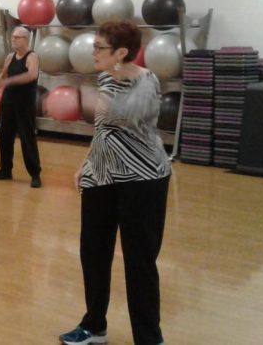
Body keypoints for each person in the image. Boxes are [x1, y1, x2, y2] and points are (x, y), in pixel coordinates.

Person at [60, 20, 172, 345]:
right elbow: (104, 128)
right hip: (101, 176)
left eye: (99, 48)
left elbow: (124, 115)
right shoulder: (106, 77)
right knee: (92, 253)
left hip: (143, 178)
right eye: (93, 46)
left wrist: (90, 97)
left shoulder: (147, 81)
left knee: (140, 261)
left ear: (121, 52)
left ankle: (149, 338)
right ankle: (94, 325)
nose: (92, 52)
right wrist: (87, 163)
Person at [0, 25, 42, 188]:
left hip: (24, 104)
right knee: (4, 137)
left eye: (16, 37)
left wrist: (11, 81)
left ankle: (35, 174)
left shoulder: (32, 56)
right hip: (8, 102)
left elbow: (32, 75)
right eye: (12, 37)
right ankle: (5, 170)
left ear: (25, 40)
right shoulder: (10, 56)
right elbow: (3, 74)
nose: (13, 40)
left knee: (27, 139)